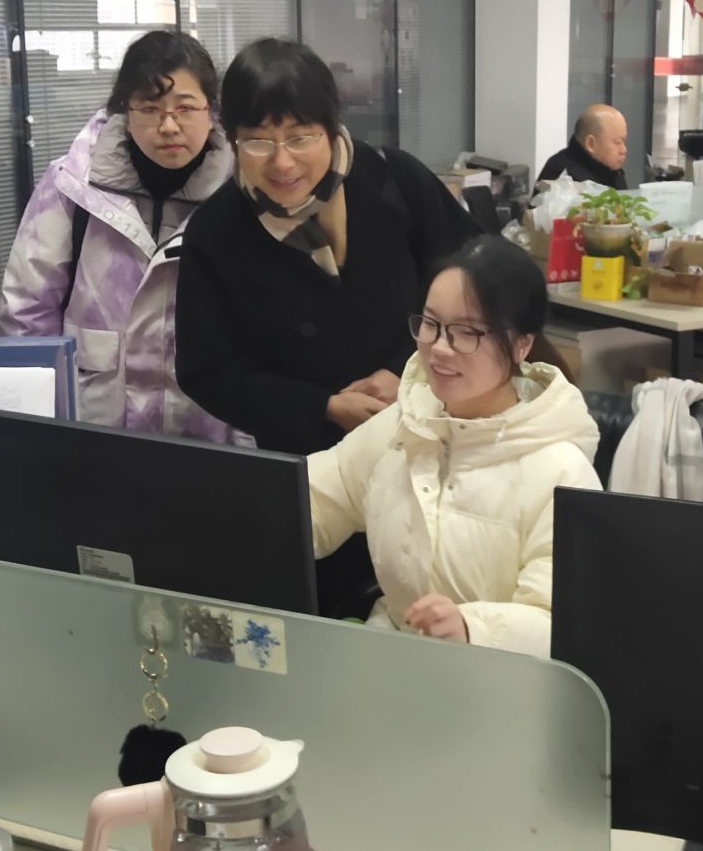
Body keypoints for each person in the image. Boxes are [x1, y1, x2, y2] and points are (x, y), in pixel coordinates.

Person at [176, 37, 479, 620]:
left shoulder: (394, 182)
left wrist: (412, 373)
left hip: (436, 457)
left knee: (439, 619)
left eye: (300, 137)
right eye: (257, 141)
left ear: (331, 126)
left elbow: (475, 291)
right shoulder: (218, 232)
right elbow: (206, 370)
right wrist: (322, 406)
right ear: (231, 139)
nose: (282, 162)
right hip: (310, 477)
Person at [307, 236, 600, 656]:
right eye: (430, 324)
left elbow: (560, 624)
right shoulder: (405, 423)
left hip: (501, 678)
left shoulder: (560, 468)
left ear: (521, 345)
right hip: (394, 657)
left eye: (467, 332)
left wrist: (472, 627)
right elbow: (317, 498)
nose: (440, 348)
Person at [0, 31, 242, 439]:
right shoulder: (73, 185)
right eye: (149, 109)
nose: (169, 126)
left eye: (185, 108)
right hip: (94, 429)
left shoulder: (241, 192)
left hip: (207, 429)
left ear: (210, 110)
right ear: (124, 112)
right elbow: (28, 311)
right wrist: (45, 424)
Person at [536, 104, 630, 189]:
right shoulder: (563, 176)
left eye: (624, 141)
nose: (623, 150)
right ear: (591, 144)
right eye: (617, 142)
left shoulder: (609, 169)